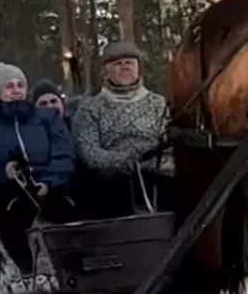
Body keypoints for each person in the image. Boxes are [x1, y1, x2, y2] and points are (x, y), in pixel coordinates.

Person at [0, 62, 77, 271]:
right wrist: (2, 173)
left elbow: (64, 154)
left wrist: (49, 182)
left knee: (67, 212)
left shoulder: (46, 118)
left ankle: (73, 267)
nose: (16, 90)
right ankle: (29, 271)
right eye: (9, 86)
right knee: (12, 221)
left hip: (50, 183)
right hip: (9, 189)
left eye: (19, 85)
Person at [71, 40, 172, 218]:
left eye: (129, 62)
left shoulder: (158, 104)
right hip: (114, 178)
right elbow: (87, 150)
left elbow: (169, 140)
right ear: (106, 70)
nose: (124, 66)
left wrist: (158, 163)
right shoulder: (90, 108)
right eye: (118, 63)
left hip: (156, 172)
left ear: (139, 68)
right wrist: (123, 161)